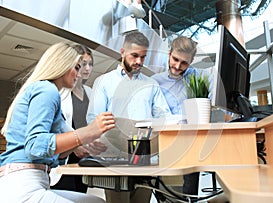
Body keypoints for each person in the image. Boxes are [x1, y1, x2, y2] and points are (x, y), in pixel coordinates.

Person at [0, 42, 115, 202]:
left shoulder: (44, 90)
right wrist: (88, 131)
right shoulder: (47, 90)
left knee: (96, 201)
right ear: (64, 65)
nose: (79, 73)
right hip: (22, 185)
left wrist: (79, 144)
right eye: (76, 68)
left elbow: (53, 151)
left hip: (30, 181)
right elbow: (35, 145)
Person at [86, 31, 171, 203]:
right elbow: (94, 118)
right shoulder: (104, 82)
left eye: (143, 57)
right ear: (122, 52)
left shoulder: (151, 84)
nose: (139, 61)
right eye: (134, 56)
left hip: (144, 160)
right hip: (115, 159)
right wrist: (92, 140)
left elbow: (165, 117)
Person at [151, 36, 212, 197]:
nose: (178, 66)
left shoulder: (200, 79)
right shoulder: (155, 82)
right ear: (169, 53)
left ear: (191, 61)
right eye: (175, 59)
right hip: (165, 145)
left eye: (184, 62)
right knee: (166, 194)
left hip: (193, 145)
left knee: (189, 194)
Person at [50, 44, 105, 193]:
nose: (87, 68)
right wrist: (75, 144)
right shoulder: (61, 93)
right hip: (68, 154)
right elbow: (58, 125)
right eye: (83, 64)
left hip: (86, 156)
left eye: (90, 64)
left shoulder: (91, 92)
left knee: (83, 193)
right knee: (66, 193)